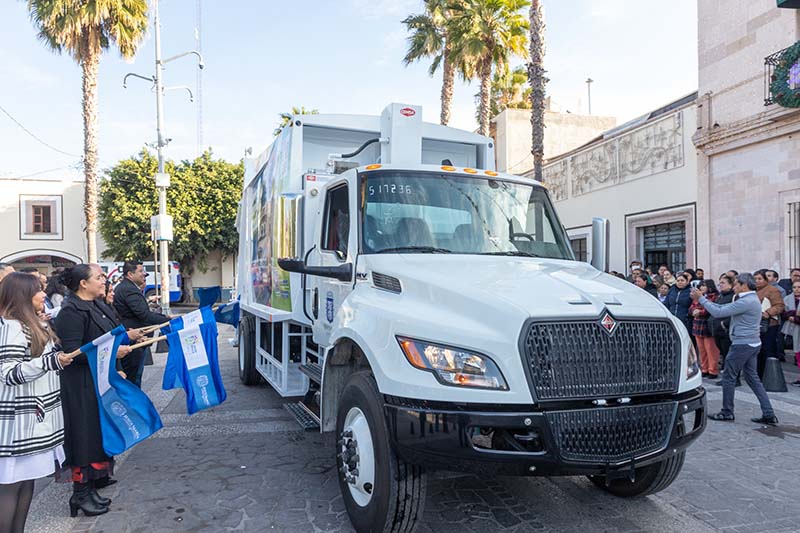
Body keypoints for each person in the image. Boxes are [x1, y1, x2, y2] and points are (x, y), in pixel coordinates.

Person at [53, 264, 139, 517]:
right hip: (80, 384)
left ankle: (91, 486)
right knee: (83, 437)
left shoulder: (97, 304)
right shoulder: (70, 311)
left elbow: (107, 339)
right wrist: (113, 354)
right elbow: (71, 353)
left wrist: (122, 347)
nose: (104, 281)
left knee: (96, 434)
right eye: (99, 277)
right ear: (83, 283)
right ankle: (79, 494)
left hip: (99, 380)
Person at [0, 273, 71, 532]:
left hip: (30, 419)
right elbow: (8, 372)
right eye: (37, 291)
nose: (44, 294)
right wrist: (49, 362)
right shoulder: (12, 327)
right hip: (17, 423)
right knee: (10, 487)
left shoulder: (29, 323)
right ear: (22, 297)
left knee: (25, 482)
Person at [692, 274, 778, 425]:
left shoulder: (747, 300)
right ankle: (768, 413)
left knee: (729, 377)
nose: (734, 287)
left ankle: (727, 412)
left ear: (744, 284)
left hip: (742, 344)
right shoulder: (750, 299)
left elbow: (718, 312)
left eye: (736, 284)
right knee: (753, 379)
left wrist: (701, 299)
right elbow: (722, 308)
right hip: (750, 343)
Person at [113, 261, 169, 388]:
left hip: (136, 338)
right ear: (130, 274)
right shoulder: (128, 289)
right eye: (140, 271)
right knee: (133, 379)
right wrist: (167, 321)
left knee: (134, 377)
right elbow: (144, 314)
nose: (144, 274)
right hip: (133, 340)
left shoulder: (128, 288)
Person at [754, 269, 785, 378]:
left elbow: (780, 305)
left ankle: (770, 376)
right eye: (755, 279)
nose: (757, 281)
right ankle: (759, 374)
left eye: (760, 279)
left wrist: (768, 312)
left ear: (765, 279)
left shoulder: (772, 290)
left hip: (769, 324)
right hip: (756, 324)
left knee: (768, 349)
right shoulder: (753, 291)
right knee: (758, 351)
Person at [690, 280, 721, 379]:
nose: (702, 288)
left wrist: (700, 312)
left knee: (711, 350)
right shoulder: (698, 296)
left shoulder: (714, 296)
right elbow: (691, 307)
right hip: (698, 325)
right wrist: (693, 311)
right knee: (702, 350)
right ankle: (704, 369)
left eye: (704, 286)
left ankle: (713, 370)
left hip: (707, 325)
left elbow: (711, 308)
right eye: (701, 286)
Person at [711, 275, 736, 379]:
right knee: (723, 353)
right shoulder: (720, 296)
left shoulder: (733, 297)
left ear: (730, 285)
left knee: (728, 354)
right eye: (719, 283)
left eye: (723, 283)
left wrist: (723, 324)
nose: (720, 285)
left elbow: (732, 313)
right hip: (717, 329)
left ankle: (730, 377)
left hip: (725, 330)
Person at [782, 279, 800, 386]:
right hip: (794, 330)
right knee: (798, 355)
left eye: (799, 287)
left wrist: (795, 318)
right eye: (794, 287)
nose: (797, 289)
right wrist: (792, 315)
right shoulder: (788, 299)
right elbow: (783, 313)